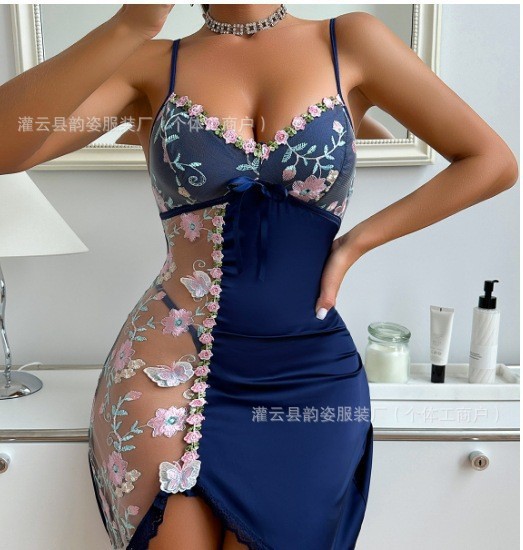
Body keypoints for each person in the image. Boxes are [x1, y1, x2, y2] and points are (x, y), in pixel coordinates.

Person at [0, 4, 517, 550]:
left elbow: (490, 160)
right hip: (168, 367)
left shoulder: (351, 41)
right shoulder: (149, 61)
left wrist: (355, 244)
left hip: (307, 372)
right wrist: (131, 23)